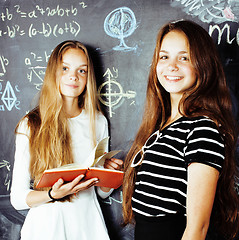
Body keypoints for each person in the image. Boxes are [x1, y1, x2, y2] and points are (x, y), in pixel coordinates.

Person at [122, 20, 239, 240]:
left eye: (184, 58)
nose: (171, 66)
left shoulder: (202, 128)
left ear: (202, 64)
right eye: (164, 56)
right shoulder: (161, 126)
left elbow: (197, 228)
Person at [10, 40, 123, 240]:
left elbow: (100, 193)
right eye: (65, 68)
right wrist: (53, 195)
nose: (73, 76)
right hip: (46, 229)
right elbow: (18, 199)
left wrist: (109, 178)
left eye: (82, 71)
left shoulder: (97, 121)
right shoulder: (31, 124)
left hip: (88, 228)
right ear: (53, 72)